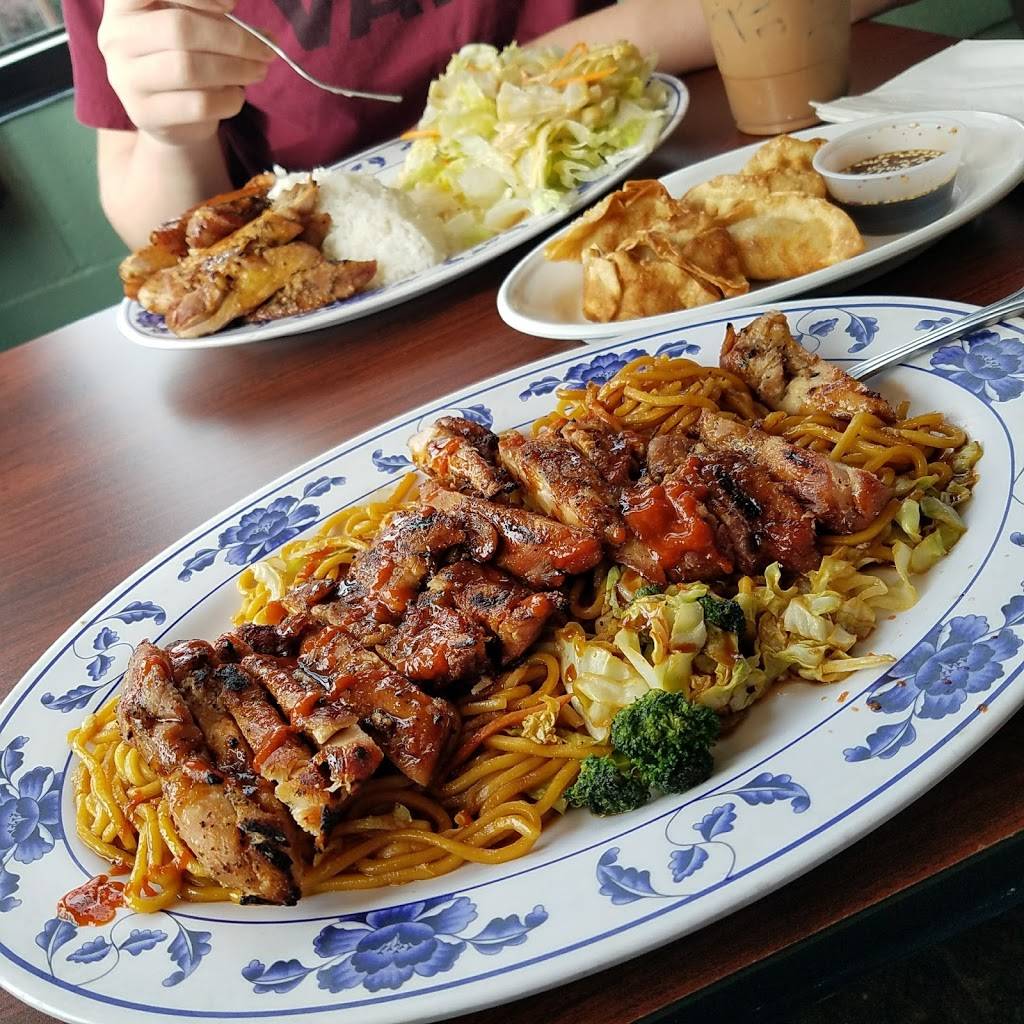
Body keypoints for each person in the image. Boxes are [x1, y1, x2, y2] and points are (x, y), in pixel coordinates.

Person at [64, 0, 902, 249]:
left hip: (672, 203)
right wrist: (173, 133)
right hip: (346, 352)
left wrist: (518, 84)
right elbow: (147, 212)